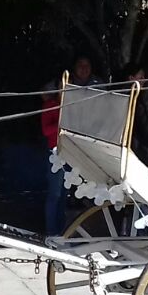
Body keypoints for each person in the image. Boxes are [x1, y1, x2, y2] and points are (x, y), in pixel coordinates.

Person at [42, 54, 100, 236]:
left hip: (71, 153)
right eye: (62, 87)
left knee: (64, 195)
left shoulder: (75, 105)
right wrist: (62, 120)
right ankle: (52, 232)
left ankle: (60, 231)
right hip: (55, 153)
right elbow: (47, 131)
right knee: (54, 195)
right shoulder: (50, 105)